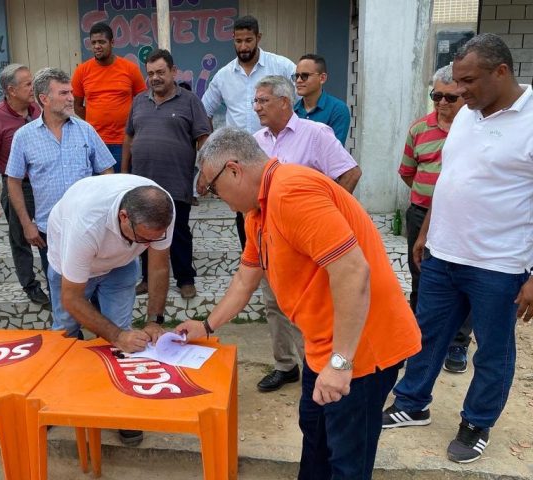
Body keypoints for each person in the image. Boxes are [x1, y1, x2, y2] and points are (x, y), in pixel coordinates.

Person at [178, 127, 420, 480]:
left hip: (360, 351)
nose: (218, 198)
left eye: (213, 189)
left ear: (234, 170)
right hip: (323, 345)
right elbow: (246, 277)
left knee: (347, 459)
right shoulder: (257, 210)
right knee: (315, 436)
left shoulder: (291, 192)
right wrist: (206, 325)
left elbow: (353, 272)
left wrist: (340, 363)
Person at [382, 33, 533, 464]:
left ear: (501, 72)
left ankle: (476, 423)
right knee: (426, 334)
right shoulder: (468, 114)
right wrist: (427, 231)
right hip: (443, 254)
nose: (460, 92)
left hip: (498, 264)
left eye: (468, 81)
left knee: (493, 350)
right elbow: (450, 177)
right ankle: (413, 403)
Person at [250, 75, 361, 393]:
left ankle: (317, 366)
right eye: (255, 101)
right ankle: (285, 365)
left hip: (307, 244)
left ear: (284, 102)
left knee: (308, 306)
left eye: (263, 100)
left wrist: (329, 218)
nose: (257, 107)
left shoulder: (315, 134)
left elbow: (350, 172)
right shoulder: (256, 141)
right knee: (274, 304)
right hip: (270, 239)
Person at [47, 175, 173, 447]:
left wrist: (154, 320)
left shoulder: (162, 209)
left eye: (154, 239)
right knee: (65, 333)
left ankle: (119, 408)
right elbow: (71, 298)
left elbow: (159, 266)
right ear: (124, 217)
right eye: (143, 239)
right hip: (69, 266)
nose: (148, 245)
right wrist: (116, 336)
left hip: (120, 265)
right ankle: (54, 400)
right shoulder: (85, 222)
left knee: (124, 335)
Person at [5, 68, 115, 288]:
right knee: (58, 291)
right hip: (49, 232)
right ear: (44, 99)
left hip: (87, 228)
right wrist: (27, 224)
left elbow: (107, 172)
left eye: (71, 92)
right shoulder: (24, 136)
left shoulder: (85, 130)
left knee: (89, 290)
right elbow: (13, 182)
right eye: (64, 93)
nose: (71, 98)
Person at [397, 65, 471, 374]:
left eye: (450, 98)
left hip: (462, 217)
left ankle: (458, 342)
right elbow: (407, 172)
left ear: (464, 96)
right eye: (436, 96)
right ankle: (417, 338)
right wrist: (428, 197)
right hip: (421, 214)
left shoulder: (474, 128)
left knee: (463, 279)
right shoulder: (419, 129)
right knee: (421, 275)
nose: (441, 103)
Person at [202, 15, 296, 249]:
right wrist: (212, 155)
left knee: (278, 210)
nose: (243, 46)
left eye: (248, 40)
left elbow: (302, 100)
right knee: (245, 216)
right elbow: (204, 112)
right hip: (240, 163)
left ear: (258, 38)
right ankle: (252, 259)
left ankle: (278, 259)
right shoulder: (223, 76)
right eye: (238, 41)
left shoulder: (282, 67)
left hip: (277, 156)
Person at [122, 49, 210, 300]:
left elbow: (203, 139)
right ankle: (148, 279)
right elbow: (129, 137)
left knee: (178, 231)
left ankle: (185, 279)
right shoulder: (139, 101)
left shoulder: (190, 101)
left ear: (173, 71)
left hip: (176, 182)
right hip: (141, 183)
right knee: (142, 231)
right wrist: (124, 173)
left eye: (160, 72)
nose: (155, 78)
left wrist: (205, 174)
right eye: (150, 74)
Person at [0, 64, 49, 305]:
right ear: (11, 90)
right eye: (28, 84)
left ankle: (55, 283)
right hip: (16, 186)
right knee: (21, 237)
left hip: (44, 184)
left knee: (48, 235)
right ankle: (30, 285)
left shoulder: (38, 110)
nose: (34, 87)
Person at [72, 22, 147, 172]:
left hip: (124, 141)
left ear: (112, 42)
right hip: (94, 141)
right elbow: (77, 106)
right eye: (93, 43)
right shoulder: (82, 71)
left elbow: (143, 103)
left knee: (122, 183)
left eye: (102, 42)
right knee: (97, 185)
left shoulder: (130, 69)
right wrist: (96, 121)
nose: (97, 46)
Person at [293, 54, 351, 146]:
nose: (298, 80)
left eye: (305, 76)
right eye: (296, 76)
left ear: (322, 78)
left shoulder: (337, 109)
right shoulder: (292, 111)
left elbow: (333, 150)